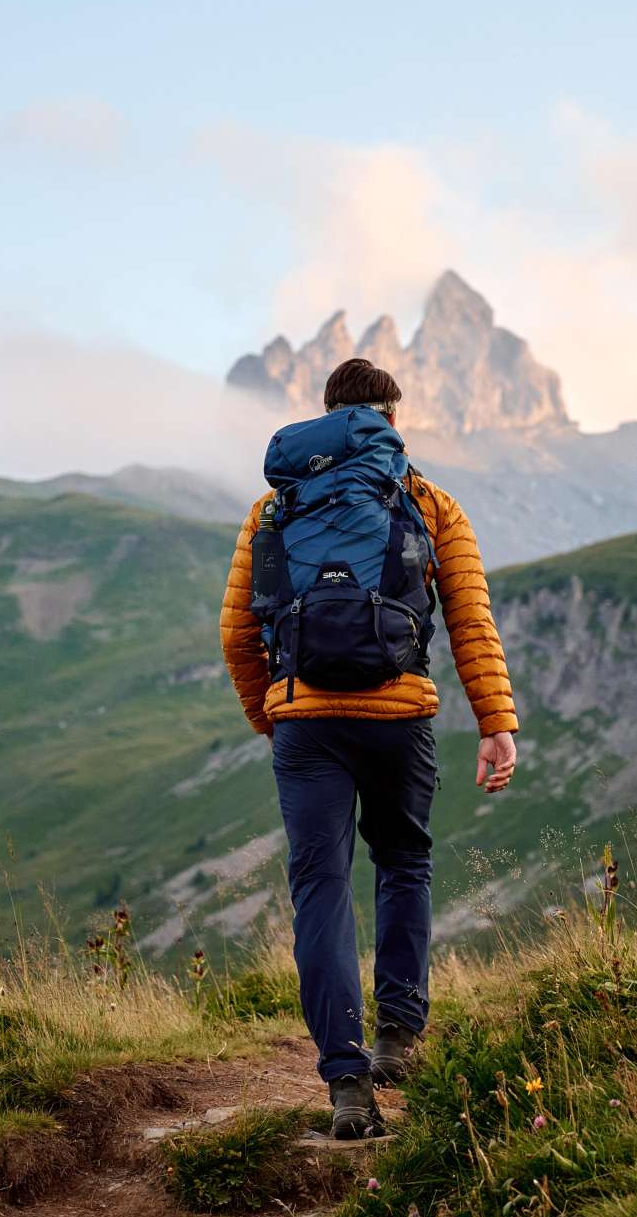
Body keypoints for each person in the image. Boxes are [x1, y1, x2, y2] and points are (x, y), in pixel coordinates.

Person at [218, 356, 519, 1139]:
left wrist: (274, 715)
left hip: (306, 723)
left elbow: (237, 632)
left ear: (327, 417)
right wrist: (496, 722)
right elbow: (470, 619)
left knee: (320, 887)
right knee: (403, 863)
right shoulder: (429, 501)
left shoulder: (274, 508)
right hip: (399, 715)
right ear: (391, 419)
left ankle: (348, 1084)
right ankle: (399, 1036)